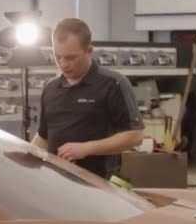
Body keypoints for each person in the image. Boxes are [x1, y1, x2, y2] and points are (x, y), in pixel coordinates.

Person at [30, 18, 144, 179]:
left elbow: (134, 136)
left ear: (89, 51)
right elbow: (43, 137)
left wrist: (86, 149)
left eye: (71, 58)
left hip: (98, 182)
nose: (63, 64)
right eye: (58, 56)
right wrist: (27, 155)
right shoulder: (51, 88)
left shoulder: (113, 84)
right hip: (56, 182)